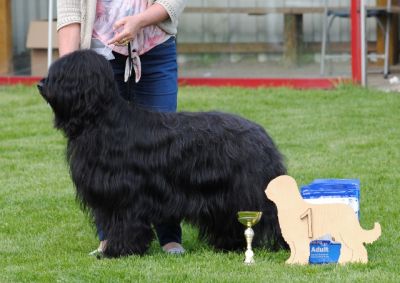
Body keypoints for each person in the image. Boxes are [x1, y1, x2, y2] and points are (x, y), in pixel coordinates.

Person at [57, 0, 187, 255]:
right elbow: (71, 13)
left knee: (163, 149)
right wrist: (68, 72)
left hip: (154, 47)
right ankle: (111, 238)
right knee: (102, 154)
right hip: (99, 55)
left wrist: (140, 20)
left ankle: (170, 237)